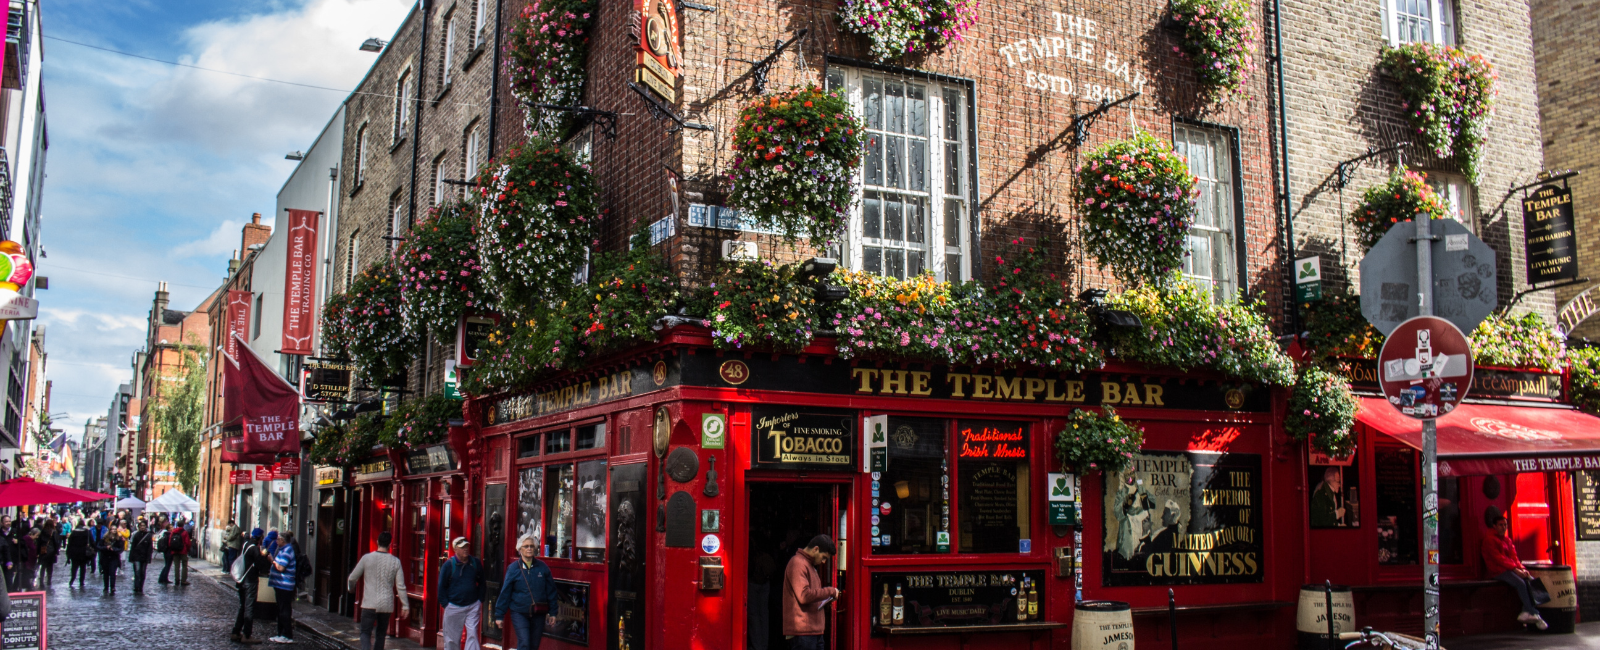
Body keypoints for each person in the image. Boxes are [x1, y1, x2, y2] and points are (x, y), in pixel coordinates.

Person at [1483, 514, 1549, 630]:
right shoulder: (1489, 540)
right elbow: (1499, 559)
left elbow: (1514, 557)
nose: (1503, 528)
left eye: (1505, 525)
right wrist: (1515, 569)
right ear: (1494, 526)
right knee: (1520, 583)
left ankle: (1527, 612)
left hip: (1508, 569)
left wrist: (1522, 569)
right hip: (1497, 571)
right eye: (1500, 525)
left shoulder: (1507, 540)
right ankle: (1534, 613)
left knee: (1530, 581)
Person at [494, 534, 557, 650]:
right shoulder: (513, 569)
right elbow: (505, 592)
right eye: (526, 546)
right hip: (519, 612)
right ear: (520, 549)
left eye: (532, 546)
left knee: (534, 645)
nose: (529, 549)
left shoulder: (543, 567)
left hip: (538, 613)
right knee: (524, 643)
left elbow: (551, 591)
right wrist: (499, 615)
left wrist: (553, 612)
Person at [348, 532, 409, 650]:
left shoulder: (366, 558)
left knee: (365, 632)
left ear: (377, 542)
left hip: (369, 604)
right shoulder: (395, 561)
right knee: (381, 635)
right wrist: (405, 605)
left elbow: (352, 578)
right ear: (390, 544)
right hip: (386, 605)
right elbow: (400, 586)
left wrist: (351, 588)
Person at [782, 535, 840, 650]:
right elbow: (804, 596)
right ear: (816, 549)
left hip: (813, 631)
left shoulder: (808, 565)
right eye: (824, 557)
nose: (823, 562)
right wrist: (830, 591)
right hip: (803, 632)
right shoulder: (797, 563)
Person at [438, 537, 485, 650]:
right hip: (454, 606)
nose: (466, 549)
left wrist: (480, 600)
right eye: (462, 547)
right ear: (455, 549)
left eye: (466, 546)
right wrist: (446, 604)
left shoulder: (475, 563)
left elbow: (482, 582)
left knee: (473, 634)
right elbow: (441, 587)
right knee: (452, 640)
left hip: (472, 605)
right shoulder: (448, 565)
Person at [232, 528, 270, 644]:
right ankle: (247, 635)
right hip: (250, 581)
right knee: (249, 607)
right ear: (260, 537)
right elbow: (261, 566)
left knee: (242, 606)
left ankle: (236, 632)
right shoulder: (254, 549)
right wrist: (265, 556)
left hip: (242, 580)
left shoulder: (246, 544)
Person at [267, 531, 298, 644]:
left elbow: (281, 568)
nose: (276, 541)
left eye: (278, 539)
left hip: (284, 585)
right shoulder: (282, 550)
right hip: (280, 584)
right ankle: (281, 633)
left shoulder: (287, 551)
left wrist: (272, 561)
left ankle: (286, 634)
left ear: (283, 541)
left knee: (284, 610)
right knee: (280, 609)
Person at [97, 521, 126, 595]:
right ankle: (106, 587)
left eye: (115, 529)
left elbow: (121, 548)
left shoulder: (119, 539)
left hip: (114, 558)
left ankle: (112, 587)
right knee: (106, 573)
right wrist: (106, 547)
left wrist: (114, 549)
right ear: (110, 530)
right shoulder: (105, 538)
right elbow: (99, 546)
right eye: (112, 529)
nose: (114, 530)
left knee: (112, 573)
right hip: (105, 557)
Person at [128, 520, 154, 595]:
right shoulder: (136, 535)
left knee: (143, 572)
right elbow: (133, 547)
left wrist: (149, 558)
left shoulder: (148, 536)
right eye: (141, 526)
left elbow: (150, 548)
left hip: (144, 556)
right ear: (139, 527)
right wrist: (131, 557)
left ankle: (141, 586)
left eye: (143, 526)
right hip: (137, 556)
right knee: (137, 572)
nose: (142, 527)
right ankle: (136, 586)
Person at [65, 519, 91, 589]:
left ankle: (72, 579)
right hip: (83, 552)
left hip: (74, 552)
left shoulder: (73, 533)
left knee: (74, 567)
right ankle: (81, 581)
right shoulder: (87, 532)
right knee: (83, 568)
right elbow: (91, 542)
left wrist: (68, 555)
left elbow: (69, 544)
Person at [37, 519, 59, 588]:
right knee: (50, 567)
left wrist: (38, 552)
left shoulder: (42, 531)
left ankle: (41, 582)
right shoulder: (54, 532)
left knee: (43, 567)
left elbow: (39, 542)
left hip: (43, 551)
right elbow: (56, 542)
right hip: (51, 552)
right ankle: (49, 580)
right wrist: (56, 551)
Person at [170, 521, 191, 586]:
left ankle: (176, 580)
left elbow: (169, 541)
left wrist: (172, 549)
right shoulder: (184, 532)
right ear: (183, 525)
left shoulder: (173, 532)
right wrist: (187, 550)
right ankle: (183, 580)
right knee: (184, 566)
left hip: (175, 551)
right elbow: (187, 543)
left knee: (176, 566)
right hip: (183, 551)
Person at [16, 527, 36, 592]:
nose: (37, 537)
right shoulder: (27, 539)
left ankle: (27, 587)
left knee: (26, 576)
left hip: (29, 562)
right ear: (32, 534)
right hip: (26, 561)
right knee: (24, 575)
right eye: (36, 535)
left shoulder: (31, 540)